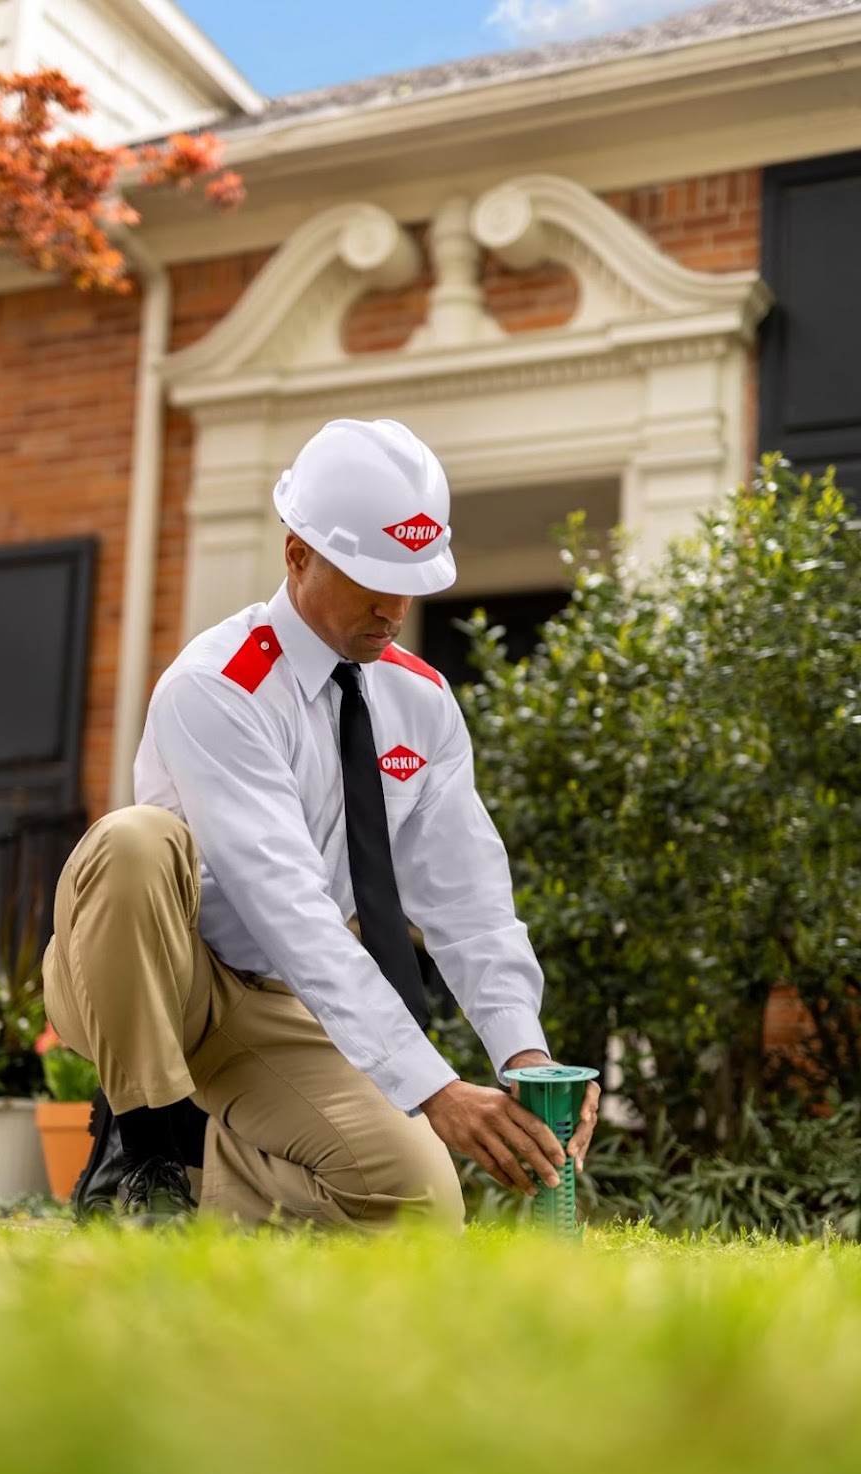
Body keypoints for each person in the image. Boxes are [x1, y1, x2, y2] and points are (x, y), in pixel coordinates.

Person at [42, 418, 600, 1227]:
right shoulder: (217, 686)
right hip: (155, 979)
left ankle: (199, 1173)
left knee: (418, 1207)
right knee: (136, 842)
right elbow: (290, 906)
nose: (394, 606)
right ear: (296, 552)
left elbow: (468, 903)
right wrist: (437, 1089)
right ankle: (144, 1151)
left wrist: (525, 1053)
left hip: (274, 1003)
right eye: (370, 576)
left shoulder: (421, 704)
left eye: (410, 579)